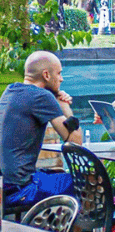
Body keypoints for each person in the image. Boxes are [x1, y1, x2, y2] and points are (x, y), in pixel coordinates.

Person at [0, 51, 82, 207]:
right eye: (59, 73)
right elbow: (76, 142)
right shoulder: (42, 96)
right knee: (86, 181)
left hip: (3, 185)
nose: (61, 78)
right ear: (46, 75)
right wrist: (65, 107)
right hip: (20, 190)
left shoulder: (10, 91)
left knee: (57, 174)